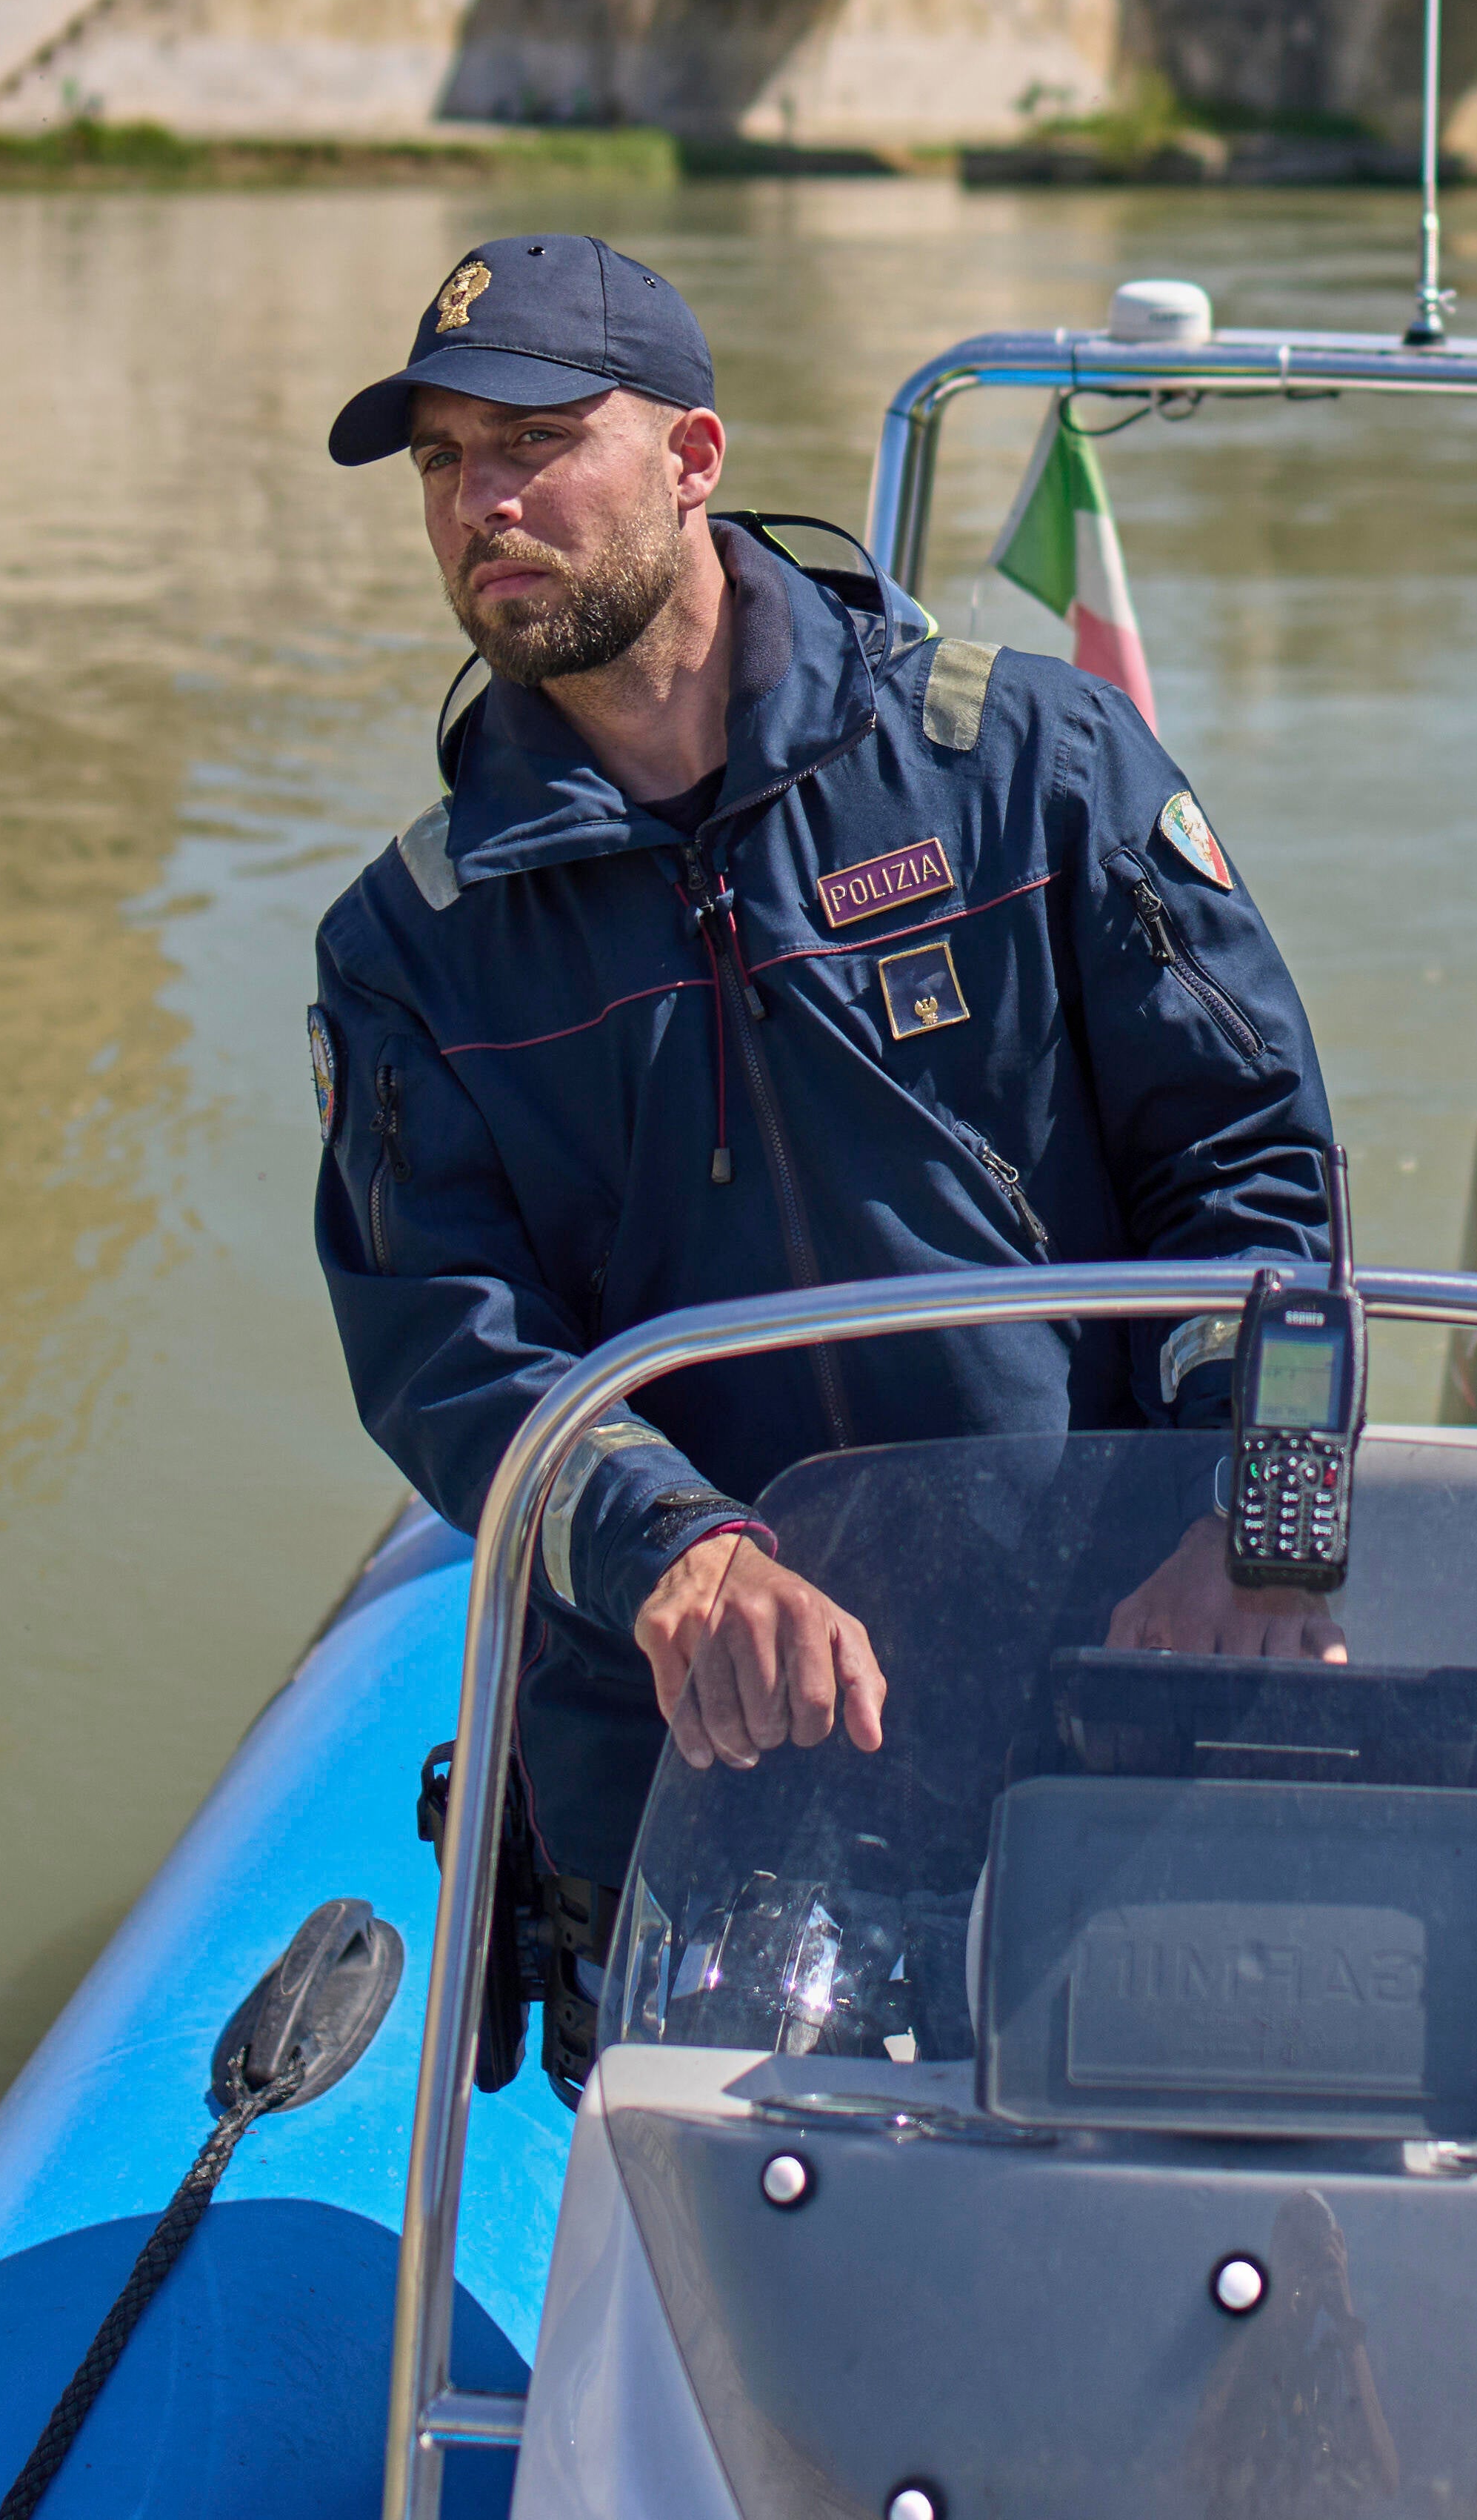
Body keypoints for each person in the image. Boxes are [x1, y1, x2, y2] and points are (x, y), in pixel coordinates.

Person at [304, 233, 1345, 2052]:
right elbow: (452, 1358)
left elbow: (1254, 1176)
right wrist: (673, 1548)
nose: (486, 501)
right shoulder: (412, 943)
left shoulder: (1035, 767)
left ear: (694, 457)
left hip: (1099, 1693)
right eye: (446, 460)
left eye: (539, 439)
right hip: (705, 1761)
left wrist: (1264, 1518)